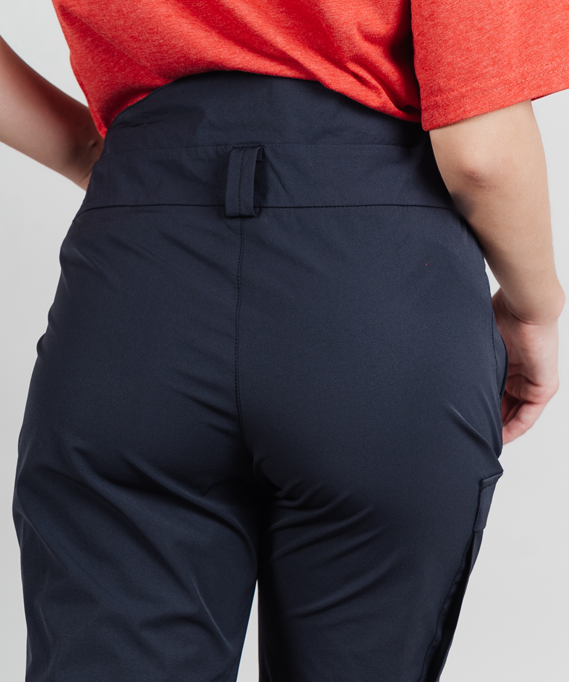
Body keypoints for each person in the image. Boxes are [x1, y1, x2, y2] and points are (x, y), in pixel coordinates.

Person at [1, 1, 567, 680]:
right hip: (377, 279)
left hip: (138, 276)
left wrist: (90, 150)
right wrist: (534, 309)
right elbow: (480, 153)